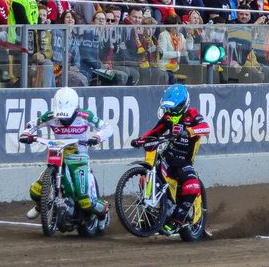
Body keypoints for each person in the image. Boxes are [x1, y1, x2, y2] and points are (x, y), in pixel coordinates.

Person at [19, 87, 112, 219]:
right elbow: (31, 125)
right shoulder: (50, 115)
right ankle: (41, 205)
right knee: (35, 191)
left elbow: (107, 127)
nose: (64, 121)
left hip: (79, 158)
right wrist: (26, 134)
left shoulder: (85, 115)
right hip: (57, 155)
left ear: (75, 109)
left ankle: (103, 212)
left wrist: (97, 137)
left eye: (67, 116)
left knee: (84, 201)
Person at [130, 84, 211, 234]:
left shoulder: (193, 115)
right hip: (168, 157)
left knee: (192, 186)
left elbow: (206, 128)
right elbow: (155, 132)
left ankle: (176, 221)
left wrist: (189, 131)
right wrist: (140, 140)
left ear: (183, 103)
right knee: (147, 177)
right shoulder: (168, 117)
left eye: (175, 107)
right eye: (170, 107)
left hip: (184, 162)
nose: (171, 111)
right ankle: (148, 218)